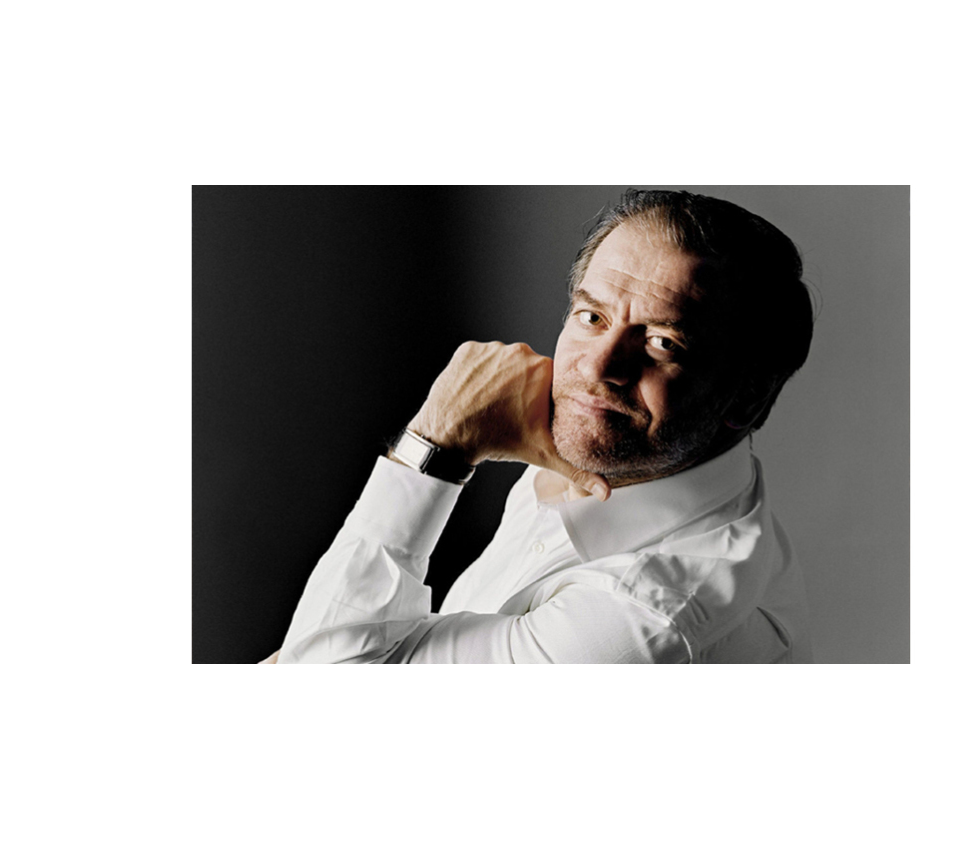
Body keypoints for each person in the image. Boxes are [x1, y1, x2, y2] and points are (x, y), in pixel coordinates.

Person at [267, 189, 816, 663]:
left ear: (745, 400)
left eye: (662, 343)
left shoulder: (645, 619)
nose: (599, 367)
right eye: (592, 317)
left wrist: (435, 445)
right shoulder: (605, 455)